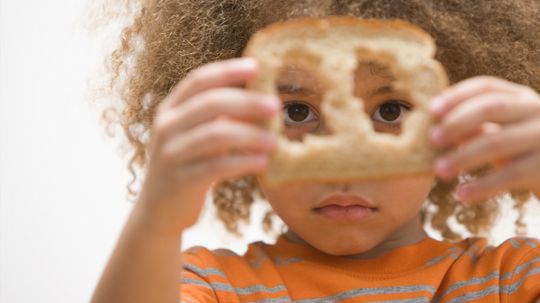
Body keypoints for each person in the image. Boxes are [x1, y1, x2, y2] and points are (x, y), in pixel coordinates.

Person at [89, 1, 540, 302]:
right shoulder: (211, 285)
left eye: (390, 109)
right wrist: (158, 219)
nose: (342, 164)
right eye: (298, 111)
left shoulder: (509, 279)